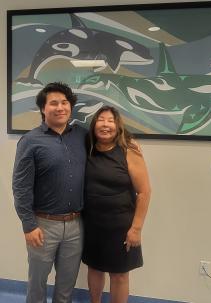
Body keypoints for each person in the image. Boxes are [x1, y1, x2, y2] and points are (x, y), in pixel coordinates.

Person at [12, 82, 87, 303]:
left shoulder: (82, 136)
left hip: (75, 225)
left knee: (66, 287)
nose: (60, 107)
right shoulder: (30, 140)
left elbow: (109, 143)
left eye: (64, 102)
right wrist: (28, 224)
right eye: (53, 103)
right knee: (37, 285)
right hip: (43, 225)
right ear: (43, 109)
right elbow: (20, 186)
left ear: (70, 107)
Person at [82, 106, 152, 303]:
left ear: (118, 126)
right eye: (101, 120)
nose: (105, 125)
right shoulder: (87, 148)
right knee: (94, 268)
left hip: (121, 227)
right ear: (94, 124)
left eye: (110, 121)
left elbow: (144, 192)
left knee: (119, 275)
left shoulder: (129, 150)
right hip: (92, 225)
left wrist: (136, 228)